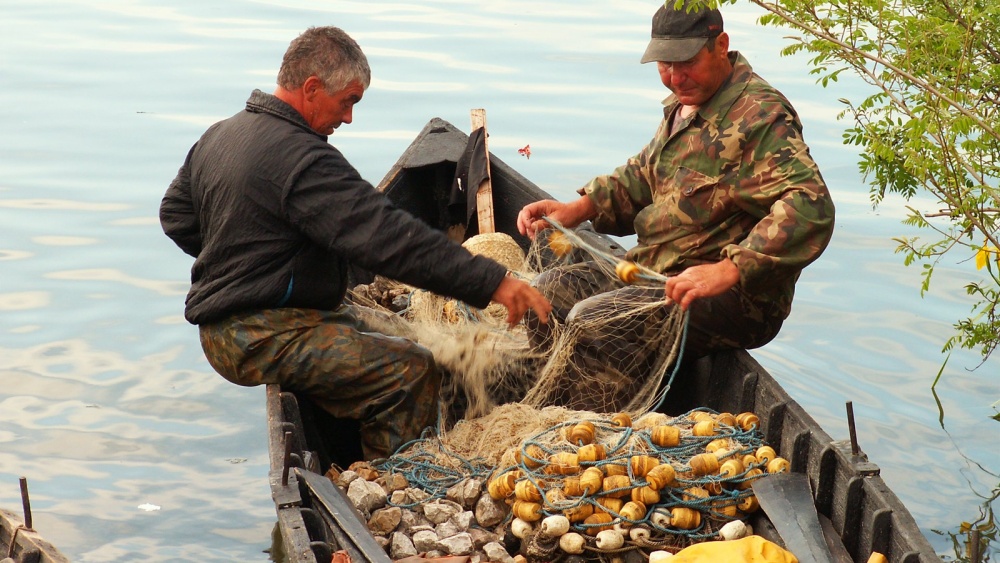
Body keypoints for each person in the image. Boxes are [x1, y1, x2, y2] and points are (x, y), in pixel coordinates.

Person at [160, 26, 551, 461]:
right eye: (348, 101)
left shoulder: (221, 134)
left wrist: (246, 262)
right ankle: (398, 482)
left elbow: (175, 215)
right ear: (311, 89)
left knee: (417, 338)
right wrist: (492, 282)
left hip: (257, 319)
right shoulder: (305, 161)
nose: (348, 118)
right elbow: (388, 238)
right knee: (411, 370)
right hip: (255, 335)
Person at [516, 1, 834, 409]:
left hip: (733, 298)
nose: (675, 77)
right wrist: (578, 208)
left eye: (686, 62)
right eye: (664, 65)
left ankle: (598, 427)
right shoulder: (686, 101)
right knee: (545, 294)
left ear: (721, 45)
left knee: (594, 322)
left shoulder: (761, 117)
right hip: (658, 271)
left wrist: (729, 269)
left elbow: (811, 205)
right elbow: (645, 175)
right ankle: (559, 404)